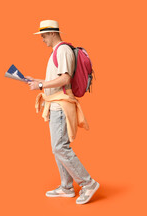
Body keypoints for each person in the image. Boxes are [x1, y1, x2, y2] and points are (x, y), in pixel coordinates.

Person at [27, 20, 99, 204]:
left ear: (52, 33)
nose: (42, 39)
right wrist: (37, 80)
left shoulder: (63, 51)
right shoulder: (56, 53)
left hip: (61, 105)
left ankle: (88, 184)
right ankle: (67, 187)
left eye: (43, 35)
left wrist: (41, 85)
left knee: (60, 147)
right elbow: (58, 79)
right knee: (58, 148)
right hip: (55, 104)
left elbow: (65, 78)